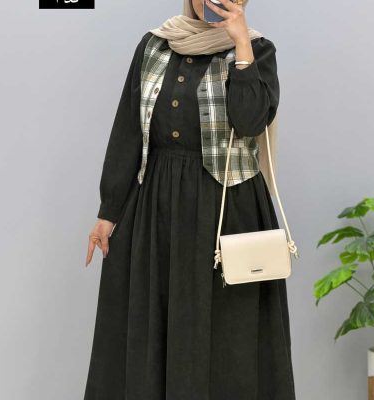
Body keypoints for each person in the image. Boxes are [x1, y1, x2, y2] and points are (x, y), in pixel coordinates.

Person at [84, 0, 296, 398]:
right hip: (158, 207)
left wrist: (241, 46)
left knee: (225, 337)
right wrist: (108, 211)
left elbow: (250, 121)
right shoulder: (155, 44)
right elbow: (128, 128)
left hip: (228, 210)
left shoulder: (257, 49)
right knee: (153, 326)